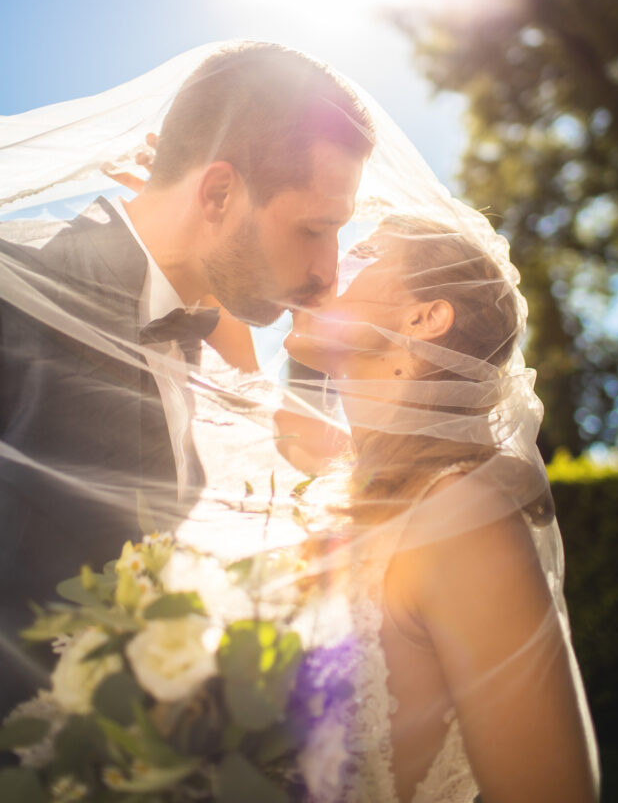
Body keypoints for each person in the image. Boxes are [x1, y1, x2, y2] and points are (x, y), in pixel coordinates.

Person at [0, 42, 374, 717]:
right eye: (317, 229)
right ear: (220, 192)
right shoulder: (14, 296)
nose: (331, 272)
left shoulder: (206, 340)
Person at [283, 216, 600, 803]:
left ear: (426, 317)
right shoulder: (331, 506)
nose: (324, 268)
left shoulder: (462, 513)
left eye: (365, 252)